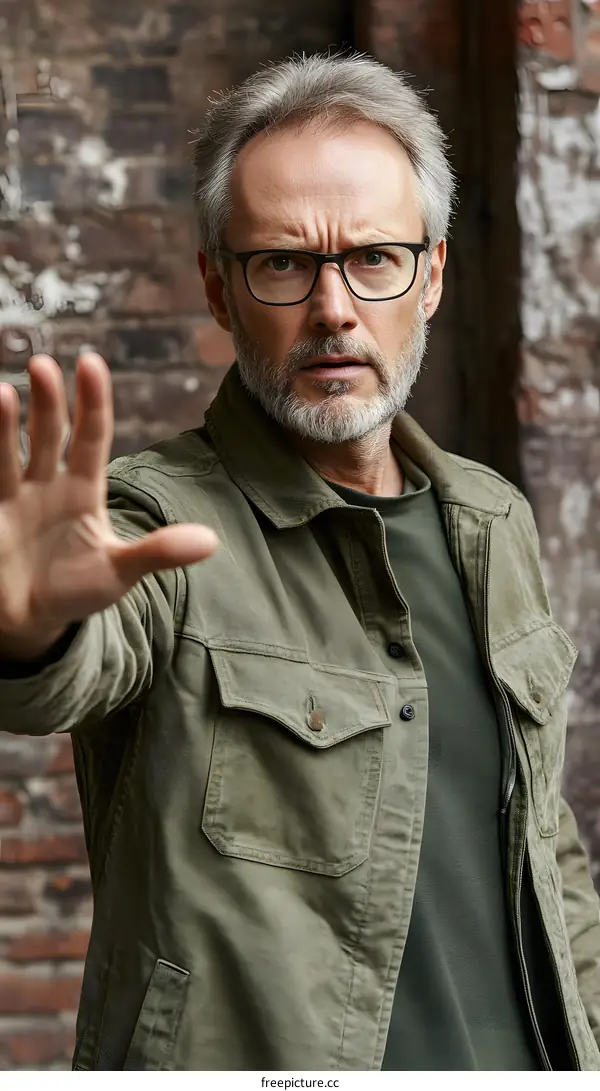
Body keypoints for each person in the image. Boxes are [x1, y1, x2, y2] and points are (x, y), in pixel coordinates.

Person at [0, 52, 599, 1073]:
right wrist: (28, 628)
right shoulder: (155, 523)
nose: (333, 307)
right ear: (218, 288)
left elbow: (549, 850)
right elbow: (79, 659)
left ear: (434, 275)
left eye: (374, 258)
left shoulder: (492, 516)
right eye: (283, 263)